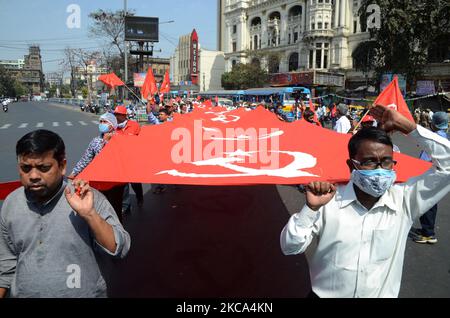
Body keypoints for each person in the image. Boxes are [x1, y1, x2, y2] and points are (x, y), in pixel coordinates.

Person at [280, 105, 450, 298]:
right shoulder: (327, 201)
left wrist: (408, 126)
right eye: (370, 161)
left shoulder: (404, 201)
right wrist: (310, 209)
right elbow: (290, 247)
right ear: (351, 165)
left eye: (386, 161)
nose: (380, 169)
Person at [0, 130, 130, 298]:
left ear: (62, 166)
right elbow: (5, 265)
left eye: (43, 168)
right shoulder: (11, 203)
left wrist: (90, 215)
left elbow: (120, 249)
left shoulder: (87, 198)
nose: (33, 176)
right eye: (26, 168)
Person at [69, 113, 126, 222]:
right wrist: (74, 172)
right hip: (98, 182)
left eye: (105, 122)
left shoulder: (120, 139)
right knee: (100, 208)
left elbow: (118, 158)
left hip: (116, 182)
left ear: (112, 124)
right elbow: (85, 159)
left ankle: (118, 233)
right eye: (100, 122)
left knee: (115, 209)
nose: (101, 124)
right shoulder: (95, 141)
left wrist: (108, 142)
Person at [410, 111, 449, 244]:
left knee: (426, 203)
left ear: (434, 124)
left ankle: (429, 234)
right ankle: (428, 229)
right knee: (432, 203)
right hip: (439, 175)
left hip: (430, 174)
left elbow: (424, 160)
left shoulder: (433, 139)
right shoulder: (445, 136)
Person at [114, 106, 144, 213]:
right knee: (123, 184)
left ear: (124, 115)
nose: (117, 117)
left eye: (119, 115)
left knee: (135, 182)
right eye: (115, 114)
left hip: (132, 159)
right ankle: (126, 206)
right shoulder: (113, 127)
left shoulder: (134, 125)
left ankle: (140, 197)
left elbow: (141, 141)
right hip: (120, 160)